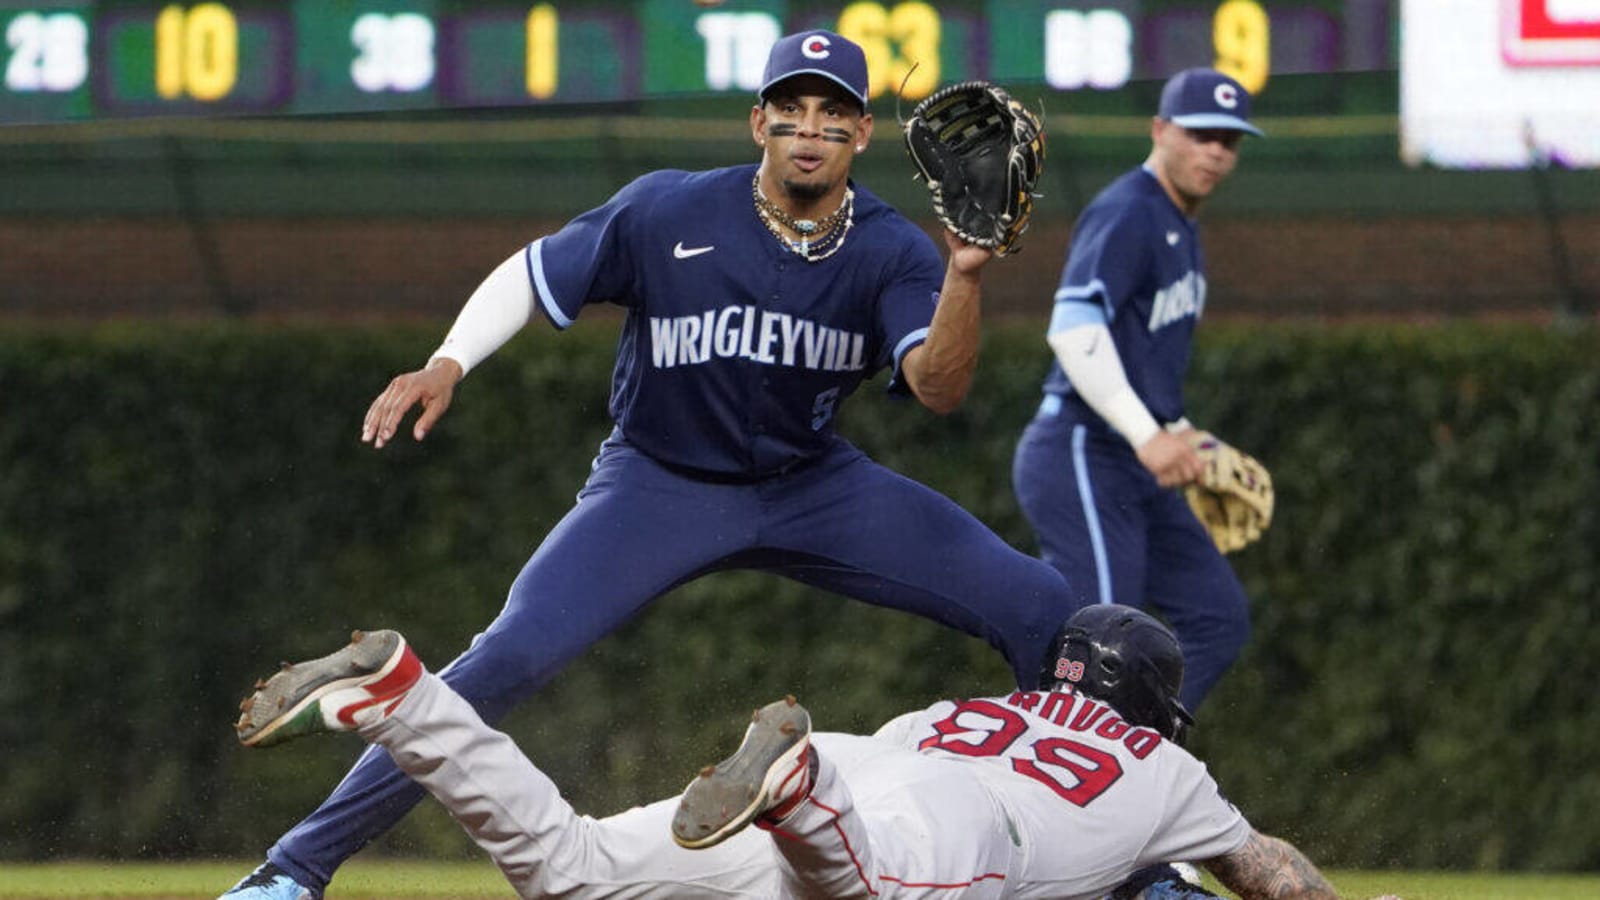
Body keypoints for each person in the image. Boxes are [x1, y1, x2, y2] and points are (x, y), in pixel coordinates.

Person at [221, 29, 1073, 900]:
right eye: (790, 111)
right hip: (656, 484)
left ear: (860, 134)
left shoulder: (892, 250)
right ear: (758, 126)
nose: (808, 130)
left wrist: (966, 274)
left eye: (832, 113)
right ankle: (291, 871)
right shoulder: (670, 211)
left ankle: (1126, 865)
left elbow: (938, 386)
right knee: (504, 657)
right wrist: (447, 362)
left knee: (1041, 605)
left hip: (809, 484)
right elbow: (531, 271)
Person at [231, 604, 1397, 900]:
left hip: (877, 760)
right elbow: (1269, 872)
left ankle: (403, 698)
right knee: (865, 883)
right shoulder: (1167, 771)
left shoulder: (965, 707)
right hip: (937, 834)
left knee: (573, 870)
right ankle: (792, 788)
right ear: (1152, 706)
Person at [1010, 68, 1266, 714]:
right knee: (1100, 647)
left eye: (1228, 141)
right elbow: (1073, 331)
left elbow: (1143, 359)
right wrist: (1149, 435)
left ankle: (1134, 763)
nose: (1214, 151)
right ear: (1160, 131)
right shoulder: (1129, 210)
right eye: (1201, 133)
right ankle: (1050, 779)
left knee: (1217, 618)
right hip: (1080, 451)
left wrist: (1181, 435)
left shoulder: (1182, 228)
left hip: (1132, 458)